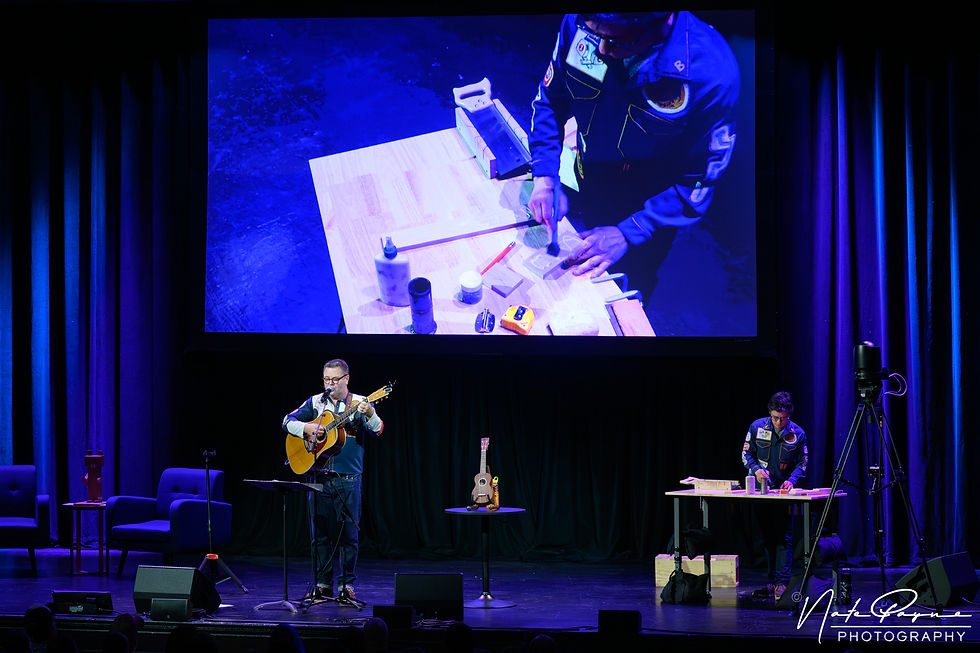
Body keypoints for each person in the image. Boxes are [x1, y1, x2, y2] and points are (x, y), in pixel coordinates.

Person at [528, 12, 739, 323]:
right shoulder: (580, 22)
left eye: (616, 40)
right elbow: (550, 99)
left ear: (663, 22)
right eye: (597, 35)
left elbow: (700, 180)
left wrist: (630, 232)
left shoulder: (711, 75)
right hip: (588, 176)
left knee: (624, 297)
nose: (601, 49)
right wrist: (545, 176)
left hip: (648, 208)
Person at [282, 359, 383, 603]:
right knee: (319, 535)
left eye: (335, 379)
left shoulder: (360, 402)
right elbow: (286, 421)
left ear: (346, 379)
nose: (330, 384)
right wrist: (307, 429)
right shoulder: (315, 402)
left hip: (348, 478)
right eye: (326, 379)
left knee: (349, 535)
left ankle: (346, 585)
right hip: (318, 476)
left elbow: (377, 429)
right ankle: (323, 584)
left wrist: (370, 413)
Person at [740, 391, 808, 600]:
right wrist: (755, 470)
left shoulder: (798, 433)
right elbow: (746, 454)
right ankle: (771, 582)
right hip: (761, 492)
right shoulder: (757, 427)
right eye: (776, 417)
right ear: (770, 413)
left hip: (783, 494)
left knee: (783, 537)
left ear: (789, 415)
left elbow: (802, 463)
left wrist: (792, 480)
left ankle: (782, 583)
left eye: (783, 418)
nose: (779, 422)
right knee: (766, 537)